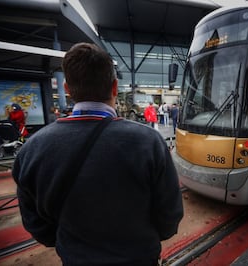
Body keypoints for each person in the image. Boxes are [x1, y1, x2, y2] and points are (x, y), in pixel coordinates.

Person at [12, 42, 183, 265]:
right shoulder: (149, 142)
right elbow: (170, 215)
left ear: (67, 89)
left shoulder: (31, 150)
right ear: (114, 87)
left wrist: (73, 245)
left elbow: (35, 222)